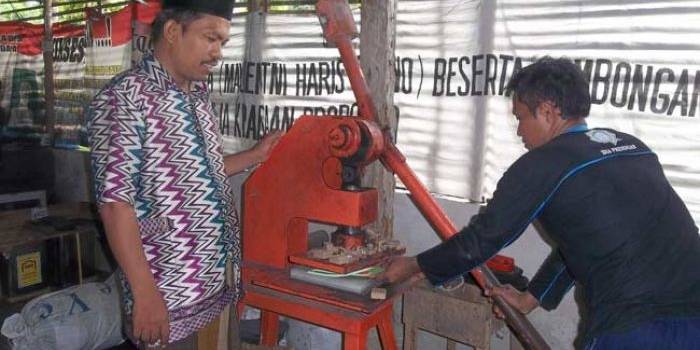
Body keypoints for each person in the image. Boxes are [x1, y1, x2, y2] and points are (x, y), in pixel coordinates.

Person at [380, 57, 700, 349]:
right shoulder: (632, 147)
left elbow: (478, 242)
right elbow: (583, 243)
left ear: (547, 111)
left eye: (520, 118)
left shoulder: (544, 164)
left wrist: (414, 266)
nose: (519, 131)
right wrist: (531, 298)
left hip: (634, 328)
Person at [86, 1, 282, 348]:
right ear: (174, 32)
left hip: (216, 284)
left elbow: (201, 170)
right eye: (210, 38)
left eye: (222, 42)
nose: (218, 53)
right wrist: (145, 295)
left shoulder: (197, 96)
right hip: (167, 296)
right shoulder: (125, 98)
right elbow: (115, 205)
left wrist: (256, 155)